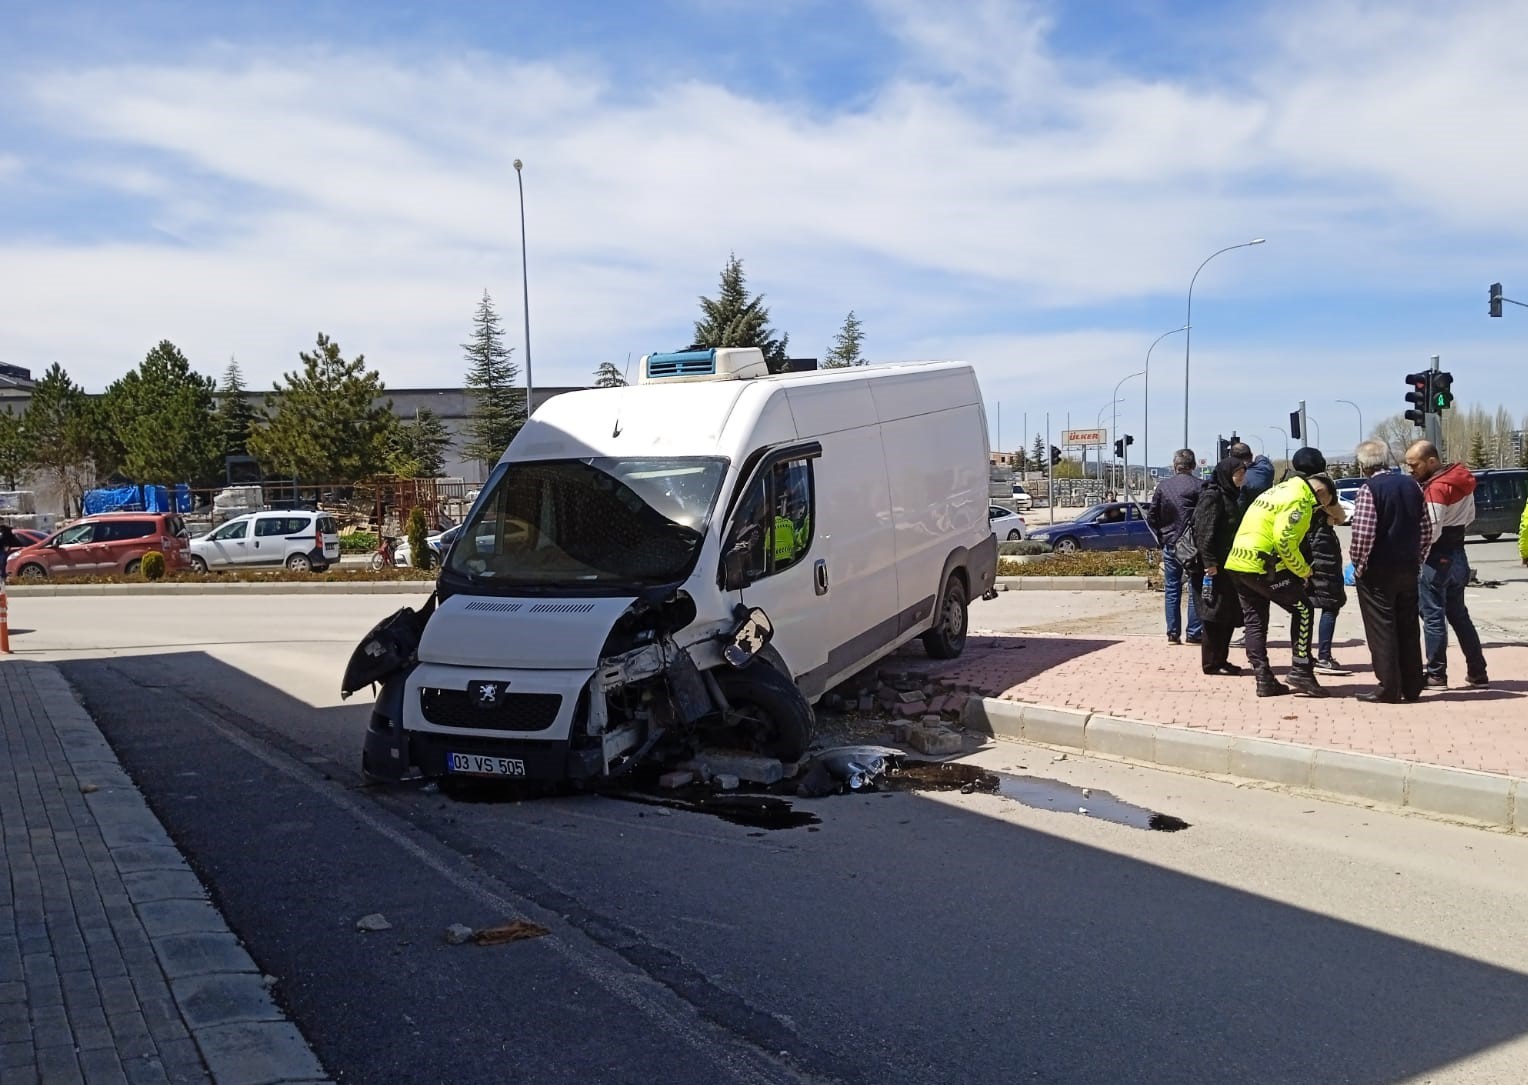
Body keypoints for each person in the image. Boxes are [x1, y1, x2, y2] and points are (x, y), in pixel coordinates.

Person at [1224, 473, 1329, 697]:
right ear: (1320, 493)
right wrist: (1304, 571)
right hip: (1263, 565)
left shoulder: (1277, 491)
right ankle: (1301, 669)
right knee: (1303, 609)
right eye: (1324, 504)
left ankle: (1264, 679)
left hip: (1238, 563)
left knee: (1255, 620)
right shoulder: (1300, 500)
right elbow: (1284, 540)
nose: (1321, 509)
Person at [1349, 439, 1432, 704]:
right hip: (1407, 567)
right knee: (1407, 626)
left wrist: (1358, 566)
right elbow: (1426, 528)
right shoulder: (1412, 485)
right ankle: (1412, 684)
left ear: (1363, 466)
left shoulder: (1369, 489)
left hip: (1378, 570)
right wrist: (1417, 559)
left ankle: (1388, 686)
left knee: (1382, 628)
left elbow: (1363, 534)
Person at [1405, 440, 1489, 688]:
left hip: (1436, 557)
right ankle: (1477, 670)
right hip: (1458, 554)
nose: (1410, 470)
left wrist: (1417, 557)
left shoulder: (1436, 488)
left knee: (1432, 616)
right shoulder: (1460, 478)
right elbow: (1471, 516)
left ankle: (1436, 674)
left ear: (1431, 461)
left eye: (1414, 465)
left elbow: (1431, 528)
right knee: (1459, 615)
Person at [1188, 456, 1247, 675]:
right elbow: (1204, 532)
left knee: (1227, 614)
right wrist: (1210, 563)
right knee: (1213, 615)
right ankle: (1211, 663)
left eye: (1243, 473)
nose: (1242, 477)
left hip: (1229, 566)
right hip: (1212, 569)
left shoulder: (1231, 496)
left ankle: (1222, 660)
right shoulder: (1213, 497)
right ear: (1226, 474)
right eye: (1238, 473)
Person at [1147, 449, 1203, 645]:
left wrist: (1162, 537)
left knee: (1172, 588)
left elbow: (1152, 516)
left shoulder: (1163, 487)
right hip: (1193, 546)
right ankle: (1194, 632)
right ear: (1194, 465)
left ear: (1174, 465)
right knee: (1195, 588)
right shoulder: (1201, 486)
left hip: (1170, 544)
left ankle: (1172, 633)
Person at [1233, 442, 1275, 516]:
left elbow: (1239, 509)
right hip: (1268, 516)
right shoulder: (1266, 469)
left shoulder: (1239, 480)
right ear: (1251, 456)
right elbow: (1262, 458)